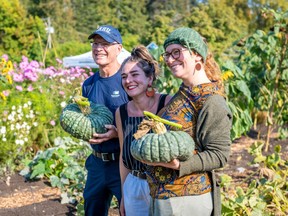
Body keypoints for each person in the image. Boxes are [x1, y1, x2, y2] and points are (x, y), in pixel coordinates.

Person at [144, 27, 233, 216]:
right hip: (164, 195)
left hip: (186, 200)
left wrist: (179, 165)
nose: (169, 59)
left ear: (197, 55)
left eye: (177, 52)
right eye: (167, 54)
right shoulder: (184, 93)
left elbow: (219, 155)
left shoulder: (211, 101)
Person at [115, 45, 172, 216]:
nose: (128, 80)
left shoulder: (167, 104)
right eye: (124, 77)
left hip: (164, 183)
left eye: (134, 75)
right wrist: (124, 194)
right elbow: (123, 158)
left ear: (150, 78)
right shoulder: (121, 112)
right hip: (134, 184)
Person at [82, 25, 129, 216]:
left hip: (123, 163)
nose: (98, 48)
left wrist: (118, 133)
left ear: (118, 49)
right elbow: (86, 117)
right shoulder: (88, 84)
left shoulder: (127, 81)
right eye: (95, 43)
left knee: (129, 211)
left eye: (104, 43)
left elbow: (141, 121)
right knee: (92, 211)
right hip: (97, 163)